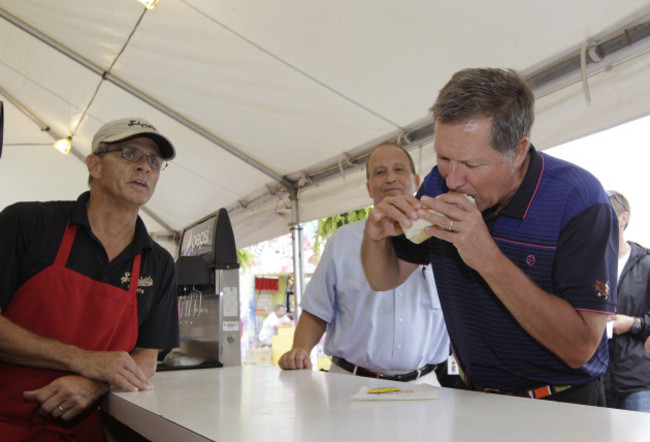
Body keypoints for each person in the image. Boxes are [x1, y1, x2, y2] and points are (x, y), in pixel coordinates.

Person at [361, 68, 618, 405]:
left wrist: (487, 259)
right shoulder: (438, 185)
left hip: (563, 404)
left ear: (517, 151)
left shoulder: (579, 201)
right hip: (474, 399)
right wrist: (375, 237)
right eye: (442, 157)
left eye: (470, 163)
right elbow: (385, 278)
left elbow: (580, 349)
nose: (453, 178)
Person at [0, 117, 180, 440]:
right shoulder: (26, 224)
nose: (144, 167)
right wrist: (84, 361)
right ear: (94, 165)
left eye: (154, 161)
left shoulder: (160, 263)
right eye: (129, 154)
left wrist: (97, 384)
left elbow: (147, 357)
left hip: (82, 433)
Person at [279, 143, 450, 386]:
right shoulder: (342, 241)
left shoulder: (440, 238)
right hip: (351, 385)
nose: (390, 178)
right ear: (369, 188)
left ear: (416, 180)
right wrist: (300, 350)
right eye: (380, 172)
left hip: (425, 387)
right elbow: (317, 309)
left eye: (398, 169)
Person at [604, 190, 650, 412]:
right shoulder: (588, 266)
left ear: (624, 219)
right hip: (597, 381)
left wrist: (633, 323)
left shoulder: (646, 264)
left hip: (638, 384)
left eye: (606, 210)